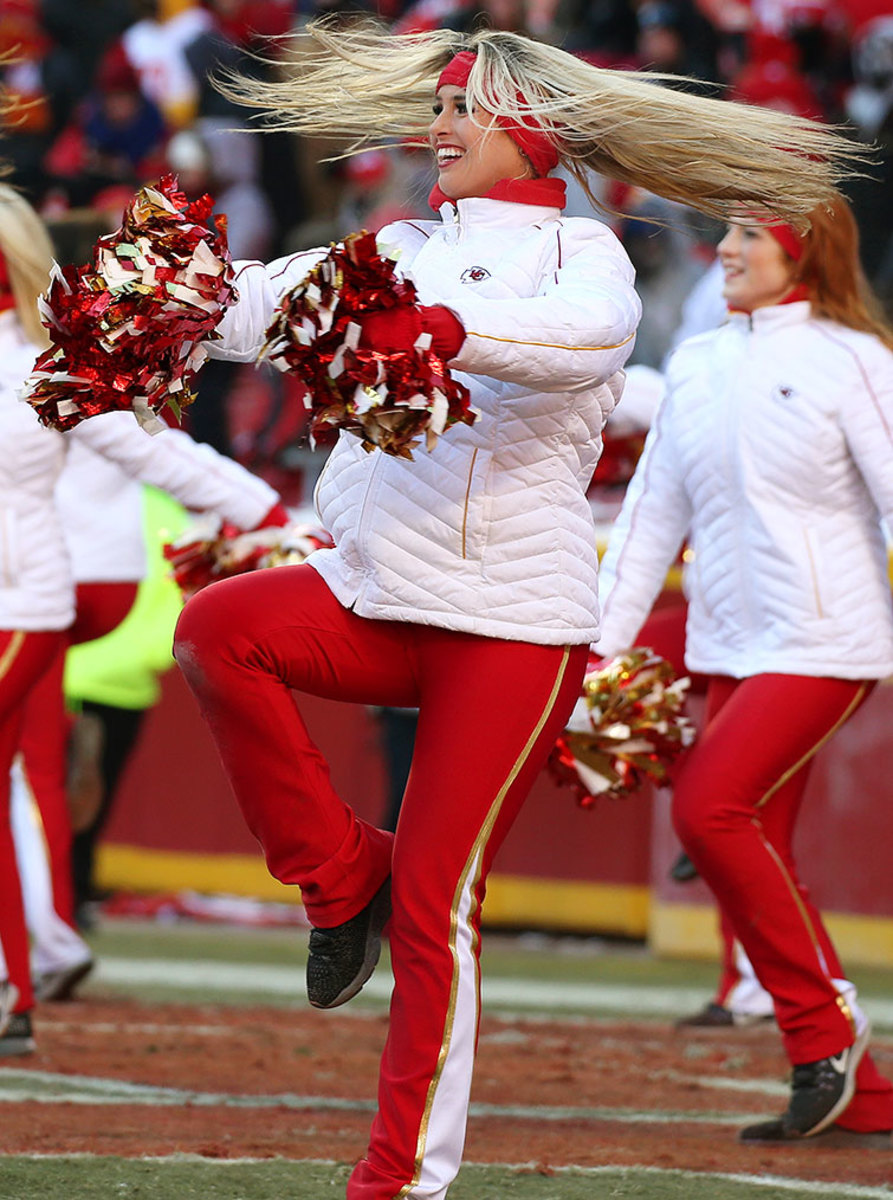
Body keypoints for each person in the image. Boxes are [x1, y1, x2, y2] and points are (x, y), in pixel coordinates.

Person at [169, 21, 863, 1197]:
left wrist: (445, 330)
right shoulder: (390, 243)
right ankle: (340, 874)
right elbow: (255, 309)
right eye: (436, 106)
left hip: (510, 629)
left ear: (529, 130)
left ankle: (401, 1179)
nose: (436, 126)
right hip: (382, 595)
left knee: (441, 909)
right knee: (218, 632)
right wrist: (154, 296)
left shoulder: (581, 257)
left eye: (463, 109)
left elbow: (585, 343)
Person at [596, 194, 893, 1146]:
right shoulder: (696, 359)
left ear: (804, 255)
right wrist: (597, 655)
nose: (723, 249)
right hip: (730, 646)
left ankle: (824, 1032)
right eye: (726, 232)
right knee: (742, 847)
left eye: (748, 236)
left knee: (706, 808)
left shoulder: (853, 360)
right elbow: (650, 519)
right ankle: (867, 1091)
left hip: (824, 640)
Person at [0, 182, 283, 1052]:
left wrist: (270, 516)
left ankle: (21, 976)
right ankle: (19, 979)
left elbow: (162, 453)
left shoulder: (46, 366)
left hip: (21, 602)